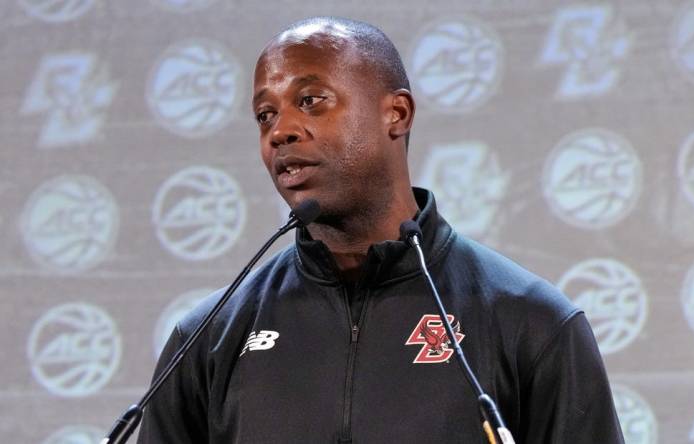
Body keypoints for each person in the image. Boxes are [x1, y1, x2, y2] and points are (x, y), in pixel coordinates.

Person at [138, 16, 624, 443]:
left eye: (310, 100)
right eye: (265, 114)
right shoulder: (208, 338)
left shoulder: (530, 321)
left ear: (397, 113)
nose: (280, 130)